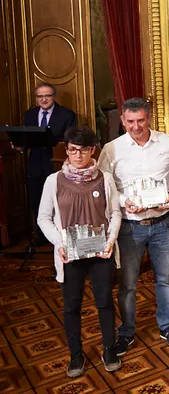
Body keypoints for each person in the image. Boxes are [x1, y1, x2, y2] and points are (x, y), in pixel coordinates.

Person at [97, 98, 169, 355]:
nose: (136, 127)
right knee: (128, 284)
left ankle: (167, 325)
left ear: (149, 119)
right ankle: (127, 330)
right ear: (123, 121)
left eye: (141, 121)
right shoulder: (111, 149)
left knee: (165, 280)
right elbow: (104, 187)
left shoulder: (167, 142)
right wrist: (124, 201)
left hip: (163, 222)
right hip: (129, 226)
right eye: (130, 122)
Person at [37, 125, 122, 376]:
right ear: (67, 150)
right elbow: (44, 218)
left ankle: (109, 349)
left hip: (101, 252)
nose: (77, 155)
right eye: (73, 150)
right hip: (69, 254)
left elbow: (116, 212)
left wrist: (110, 239)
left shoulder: (105, 178)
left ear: (92, 150)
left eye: (83, 150)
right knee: (72, 305)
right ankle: (75, 354)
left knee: (105, 302)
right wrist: (60, 244)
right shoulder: (53, 181)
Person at [22, 82, 77, 243]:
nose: (44, 99)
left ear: (53, 96)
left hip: (56, 161)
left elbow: (69, 140)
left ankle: (60, 234)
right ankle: (41, 236)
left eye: (47, 96)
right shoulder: (29, 115)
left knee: (59, 198)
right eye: (40, 96)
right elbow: (26, 137)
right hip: (35, 162)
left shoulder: (66, 114)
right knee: (37, 198)